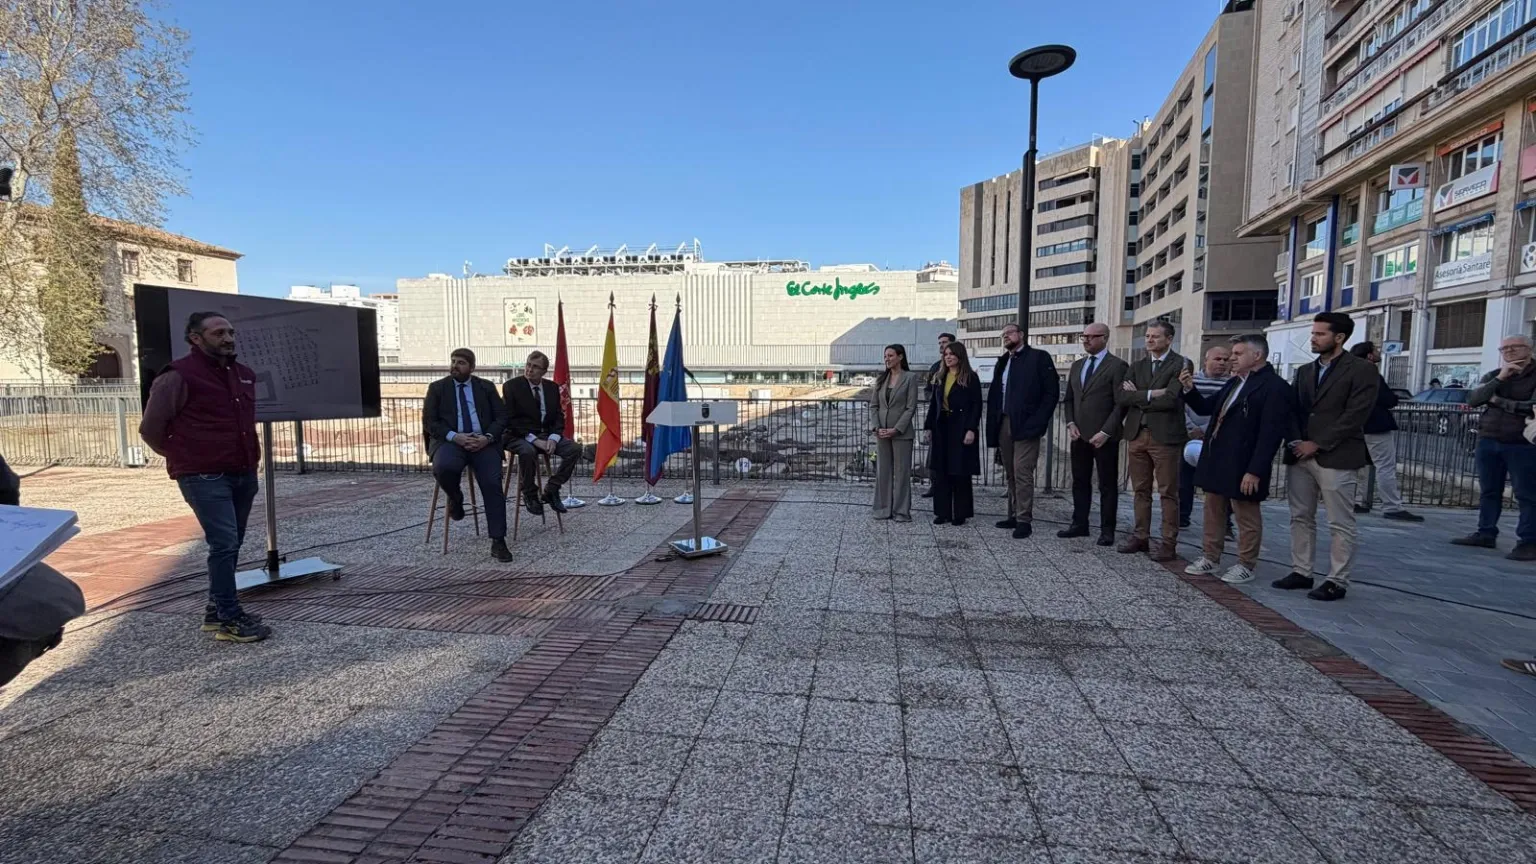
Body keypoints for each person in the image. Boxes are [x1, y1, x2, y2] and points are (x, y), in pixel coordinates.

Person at [138, 312, 272, 642]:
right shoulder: (177, 376)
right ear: (196, 338)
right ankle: (228, 617)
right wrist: (186, 457)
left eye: (231, 332)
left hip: (242, 472)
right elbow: (151, 429)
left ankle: (216, 611)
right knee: (224, 542)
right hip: (204, 476)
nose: (228, 338)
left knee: (231, 544)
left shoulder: (244, 375)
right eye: (218, 333)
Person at [1274, 312, 1377, 602]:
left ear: (1339, 338)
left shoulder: (1361, 370)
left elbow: (1355, 415)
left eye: (1320, 334)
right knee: (1300, 516)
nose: (1313, 338)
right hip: (1301, 455)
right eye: (1313, 332)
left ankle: (1337, 580)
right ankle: (1301, 571)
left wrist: (1317, 443)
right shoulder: (1305, 370)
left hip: (1337, 455)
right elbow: (1294, 408)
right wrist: (1297, 441)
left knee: (1339, 522)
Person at [1177, 334, 1292, 584]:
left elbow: (1270, 434)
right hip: (1218, 458)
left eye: (1238, 354)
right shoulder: (1234, 382)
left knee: (1246, 515)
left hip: (1245, 462)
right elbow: (1207, 408)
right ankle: (1210, 556)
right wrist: (1188, 389)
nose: (1232, 358)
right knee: (1213, 511)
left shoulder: (1273, 387)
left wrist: (1255, 470)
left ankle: (1246, 564)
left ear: (1257, 355)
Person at [423, 348, 512, 562]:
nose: (455, 365)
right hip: (451, 441)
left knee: (492, 483)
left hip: (484, 442)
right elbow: (430, 422)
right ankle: (455, 497)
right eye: (453, 361)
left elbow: (501, 417)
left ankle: (498, 541)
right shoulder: (438, 388)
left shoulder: (486, 387)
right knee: (443, 467)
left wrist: (487, 437)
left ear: (472, 367)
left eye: (461, 362)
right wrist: (456, 437)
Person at [1452, 335, 1536, 560]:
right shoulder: (1495, 375)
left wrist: (1498, 402)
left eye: (1514, 347)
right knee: (1489, 490)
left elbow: (1530, 407)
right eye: (1504, 348)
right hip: (1488, 439)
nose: (1508, 352)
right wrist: (1500, 378)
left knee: (1527, 494)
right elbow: (1473, 399)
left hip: (1522, 443)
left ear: (1528, 349)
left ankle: (1529, 541)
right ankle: (1486, 532)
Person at [1114, 319, 1189, 562]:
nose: (1149, 340)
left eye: (1155, 336)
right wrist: (1150, 393)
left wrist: (1139, 394)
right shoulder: (1137, 365)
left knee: (1168, 491)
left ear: (1169, 339)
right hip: (1137, 434)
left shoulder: (1181, 363)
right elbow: (1122, 397)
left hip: (1165, 437)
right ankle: (1141, 536)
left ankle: (1168, 542)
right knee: (1140, 490)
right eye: (1147, 336)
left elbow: (1171, 399)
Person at [985, 322, 1060, 539]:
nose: (1005, 336)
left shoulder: (1039, 357)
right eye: (1003, 334)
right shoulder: (1004, 361)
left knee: (1022, 471)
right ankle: (1013, 514)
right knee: (1010, 471)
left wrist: (1038, 421)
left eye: (1009, 332)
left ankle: (1024, 519)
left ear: (1021, 334)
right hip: (1005, 422)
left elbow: (1050, 393)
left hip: (1027, 424)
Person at [1060, 322, 1127, 546]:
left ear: (1105, 338)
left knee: (1107, 484)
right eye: (1084, 336)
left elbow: (1121, 404)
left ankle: (1107, 530)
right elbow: (1069, 398)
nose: (1086, 340)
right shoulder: (1078, 366)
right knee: (1080, 481)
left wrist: (1106, 431)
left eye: (1091, 336)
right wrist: (1070, 422)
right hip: (1079, 435)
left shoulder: (1117, 366)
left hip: (1104, 437)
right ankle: (1079, 523)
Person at [1348, 342, 1422, 522]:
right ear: (1369, 356)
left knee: (1352, 466)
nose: (1378, 352)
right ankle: (1392, 506)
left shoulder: (1348, 374)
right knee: (1385, 466)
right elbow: (1387, 399)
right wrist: (1393, 397)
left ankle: (1351, 501)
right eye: (1375, 350)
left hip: (1354, 426)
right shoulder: (1371, 374)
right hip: (1375, 426)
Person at [503, 350, 582, 517]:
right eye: (528, 365)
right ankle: (530, 493)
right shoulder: (512, 386)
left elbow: (558, 417)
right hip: (518, 435)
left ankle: (552, 488)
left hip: (545, 434)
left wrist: (554, 438)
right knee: (528, 451)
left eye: (535, 367)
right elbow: (510, 420)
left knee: (574, 449)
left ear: (544, 371)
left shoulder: (551, 388)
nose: (530, 370)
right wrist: (533, 440)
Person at [925, 341, 983, 526]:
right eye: (946, 354)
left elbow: (976, 405)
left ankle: (960, 513)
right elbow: (934, 404)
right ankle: (942, 512)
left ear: (960, 356)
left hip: (961, 427)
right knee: (941, 471)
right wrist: (928, 427)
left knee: (960, 471)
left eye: (952, 354)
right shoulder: (940, 376)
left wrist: (971, 429)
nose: (948, 356)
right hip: (942, 427)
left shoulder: (970, 378)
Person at [1180, 346, 1231, 529]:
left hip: (1216, 439)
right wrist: (1191, 428)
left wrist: (1205, 430)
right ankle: (1182, 517)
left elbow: (1224, 412)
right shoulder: (1190, 382)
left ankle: (1224, 523)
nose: (1222, 363)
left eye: (1226, 359)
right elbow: (1183, 406)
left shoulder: (1232, 384)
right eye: (1218, 359)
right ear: (1206, 360)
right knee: (1184, 481)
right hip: (1189, 437)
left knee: (1219, 483)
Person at [870, 344, 919, 522]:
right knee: (883, 472)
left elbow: (910, 407)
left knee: (902, 473)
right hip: (882, 433)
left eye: (890, 355)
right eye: (885, 356)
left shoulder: (910, 378)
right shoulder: (881, 379)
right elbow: (874, 406)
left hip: (901, 434)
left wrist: (896, 429)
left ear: (900, 357)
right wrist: (876, 427)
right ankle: (883, 509)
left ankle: (901, 511)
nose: (887, 359)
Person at [921, 333, 954, 499]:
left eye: (945, 343)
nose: (941, 346)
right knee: (934, 454)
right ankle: (935, 485)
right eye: (940, 343)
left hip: (955, 420)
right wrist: (934, 400)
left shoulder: (961, 367)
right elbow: (928, 390)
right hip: (937, 418)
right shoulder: (935, 368)